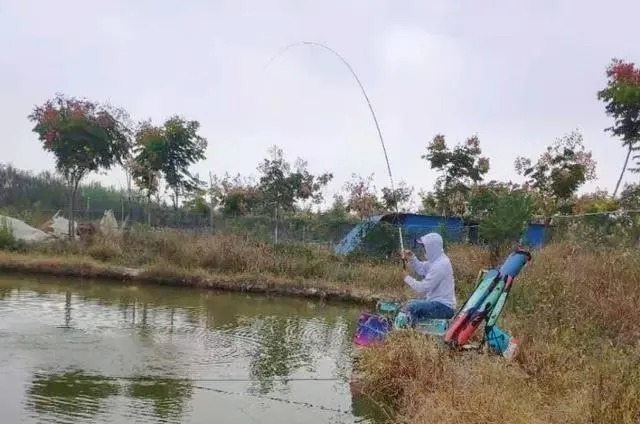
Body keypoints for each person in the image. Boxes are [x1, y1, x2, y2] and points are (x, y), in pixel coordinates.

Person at [397, 232, 457, 327]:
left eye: (425, 247)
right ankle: (414, 328)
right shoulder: (437, 260)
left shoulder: (440, 265)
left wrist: (406, 278)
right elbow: (422, 269)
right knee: (410, 304)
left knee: (411, 307)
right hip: (437, 303)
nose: (424, 249)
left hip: (444, 308)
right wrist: (412, 258)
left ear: (432, 247)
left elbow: (422, 288)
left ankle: (412, 331)